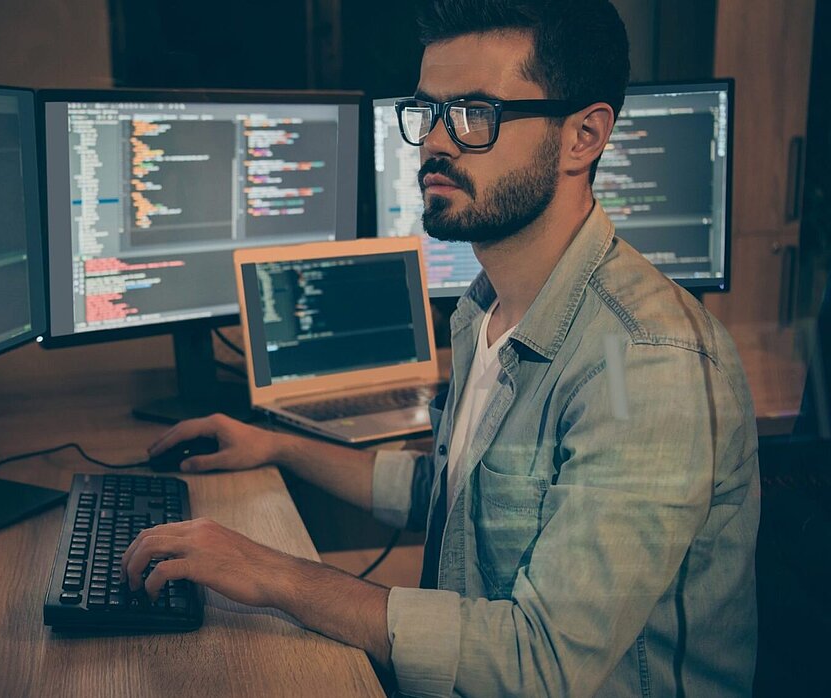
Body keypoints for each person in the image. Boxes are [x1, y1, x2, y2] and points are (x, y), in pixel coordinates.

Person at [121, 0, 760, 694]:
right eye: (428, 112)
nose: (435, 143)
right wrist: (278, 447)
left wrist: (272, 574)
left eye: (475, 114)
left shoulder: (648, 362)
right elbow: (453, 493)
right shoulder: (485, 310)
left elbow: (538, 662)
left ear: (584, 137)